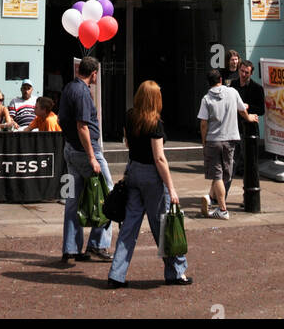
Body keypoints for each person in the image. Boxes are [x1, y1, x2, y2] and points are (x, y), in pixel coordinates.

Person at [108, 81, 191, 288]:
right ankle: (175, 272)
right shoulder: (155, 123)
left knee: (129, 226)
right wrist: (171, 187)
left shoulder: (129, 116)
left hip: (133, 171)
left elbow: (127, 143)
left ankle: (116, 274)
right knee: (163, 225)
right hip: (151, 177)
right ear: (155, 99)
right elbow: (159, 158)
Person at [57, 57, 113, 264]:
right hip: (85, 151)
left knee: (73, 200)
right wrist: (92, 156)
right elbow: (83, 126)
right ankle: (98, 244)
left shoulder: (69, 88)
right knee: (108, 194)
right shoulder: (81, 92)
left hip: (71, 149)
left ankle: (70, 248)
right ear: (94, 73)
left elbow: (64, 120)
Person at [198, 67, 258, 219]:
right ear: (220, 80)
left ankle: (222, 208)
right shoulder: (232, 92)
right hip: (231, 138)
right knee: (226, 174)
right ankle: (213, 198)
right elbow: (242, 109)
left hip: (213, 139)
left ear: (208, 83)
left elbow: (204, 123)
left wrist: (204, 141)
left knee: (217, 175)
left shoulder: (206, 99)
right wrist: (249, 118)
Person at [233, 59, 265, 175]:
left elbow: (261, 110)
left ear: (251, 74)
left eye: (247, 72)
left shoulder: (257, 88)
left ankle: (247, 174)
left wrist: (248, 106)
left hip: (249, 126)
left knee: (249, 155)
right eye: (242, 71)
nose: (243, 74)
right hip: (235, 124)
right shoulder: (233, 85)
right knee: (235, 153)